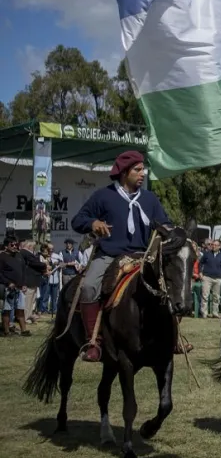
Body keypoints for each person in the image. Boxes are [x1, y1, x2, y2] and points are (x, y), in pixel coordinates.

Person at [70, 151, 170, 362]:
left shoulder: (150, 199)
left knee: (169, 287)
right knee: (89, 287)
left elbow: (164, 223)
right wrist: (93, 224)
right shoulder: (103, 196)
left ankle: (174, 338)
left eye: (143, 169)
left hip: (142, 256)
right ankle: (93, 342)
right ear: (125, 172)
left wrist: (171, 231)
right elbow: (78, 220)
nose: (142, 174)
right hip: (109, 256)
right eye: (138, 170)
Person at [0, 236, 31, 337]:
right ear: (6, 246)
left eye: (16, 244)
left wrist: (24, 283)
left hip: (19, 287)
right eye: (12, 245)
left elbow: (23, 271)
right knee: (7, 310)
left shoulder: (18, 255)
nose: (14, 246)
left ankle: (24, 330)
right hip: (8, 288)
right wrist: (8, 283)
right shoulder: (2, 257)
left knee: (20, 309)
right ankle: (6, 331)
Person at [199, 240, 221, 318]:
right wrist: (200, 272)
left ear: (219, 246)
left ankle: (215, 313)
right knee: (205, 296)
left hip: (217, 279)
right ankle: (204, 313)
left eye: (216, 245)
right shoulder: (207, 254)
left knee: (216, 297)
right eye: (213, 245)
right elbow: (201, 263)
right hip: (207, 278)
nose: (214, 246)